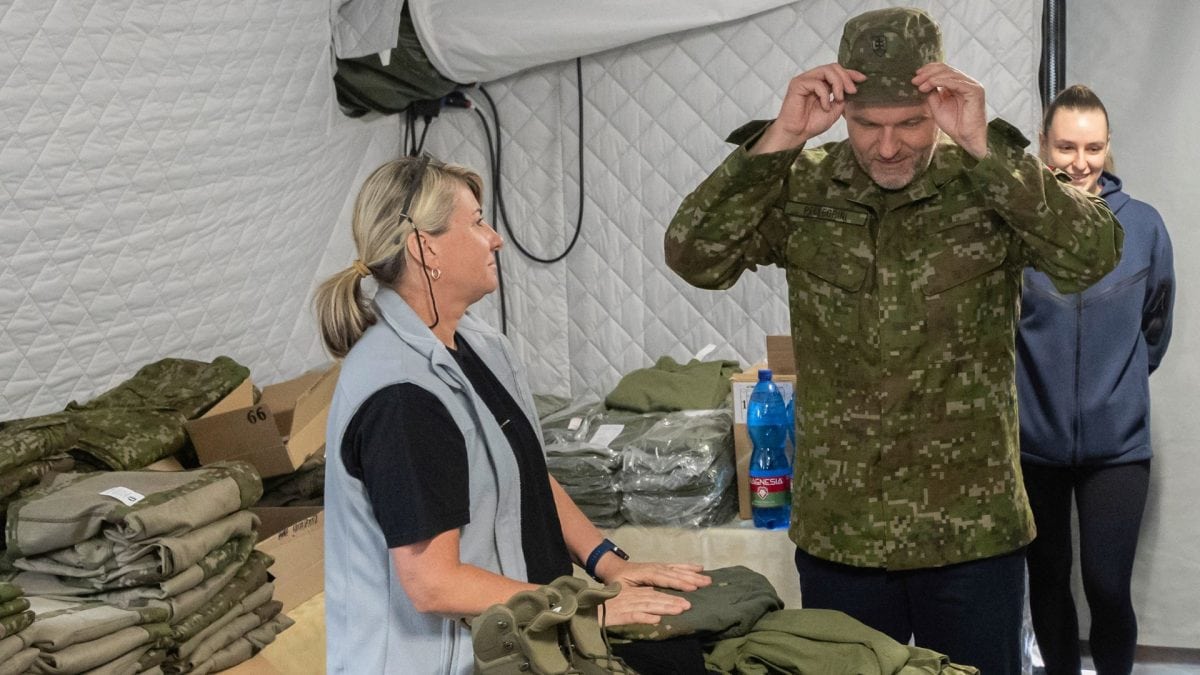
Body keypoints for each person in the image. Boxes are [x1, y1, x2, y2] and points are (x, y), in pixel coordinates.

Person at [664, 7, 1123, 674]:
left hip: (970, 533)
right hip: (844, 535)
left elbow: (1093, 256)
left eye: (909, 123)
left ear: (937, 105)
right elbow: (694, 256)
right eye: (867, 125)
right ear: (842, 113)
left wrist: (986, 148)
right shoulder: (804, 185)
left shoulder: (988, 181)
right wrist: (781, 137)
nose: (887, 147)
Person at [315, 156, 712, 674]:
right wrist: (581, 610)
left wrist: (609, 564)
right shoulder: (402, 396)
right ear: (425, 248)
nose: (496, 239)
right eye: (478, 222)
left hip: (529, 639)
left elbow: (527, 476)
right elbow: (434, 584)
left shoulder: (478, 346)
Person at [1018, 85, 1174, 675]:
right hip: (1034, 446)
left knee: (1108, 588)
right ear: (1043, 145)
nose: (1080, 162)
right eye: (1066, 147)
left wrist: (1117, 387)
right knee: (1047, 581)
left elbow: (1155, 327)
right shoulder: (1020, 227)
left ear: (1108, 147)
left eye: (1093, 148)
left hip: (1118, 449)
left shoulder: (1145, 227)